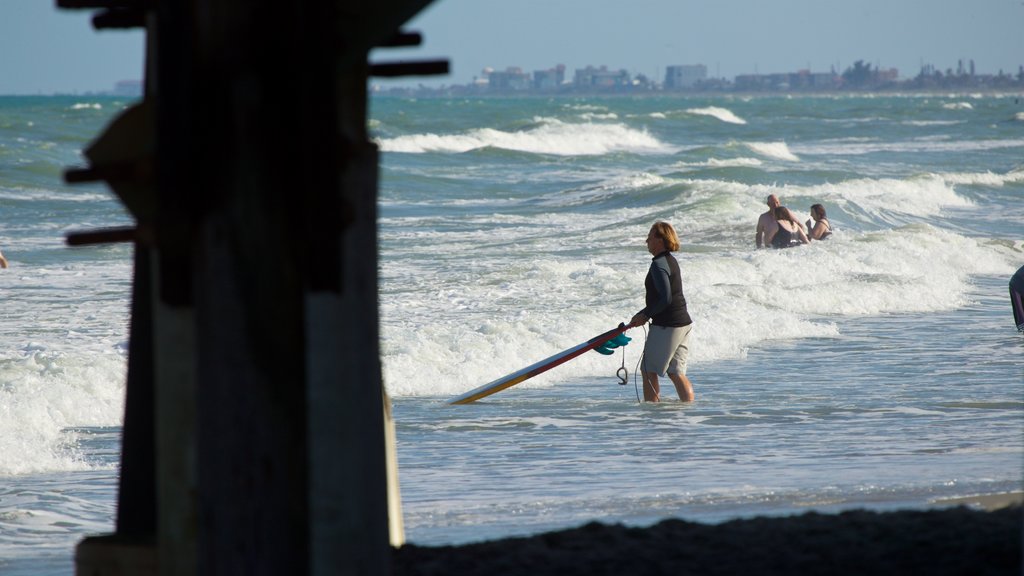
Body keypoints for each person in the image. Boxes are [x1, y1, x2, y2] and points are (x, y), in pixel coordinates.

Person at [628, 222, 696, 402]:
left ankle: (653, 415)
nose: (646, 241)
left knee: (648, 371)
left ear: (659, 240)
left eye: (650, 237)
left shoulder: (658, 265)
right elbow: (668, 297)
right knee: (676, 373)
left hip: (668, 325)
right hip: (683, 322)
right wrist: (644, 312)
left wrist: (645, 314)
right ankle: (688, 411)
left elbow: (665, 299)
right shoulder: (671, 261)